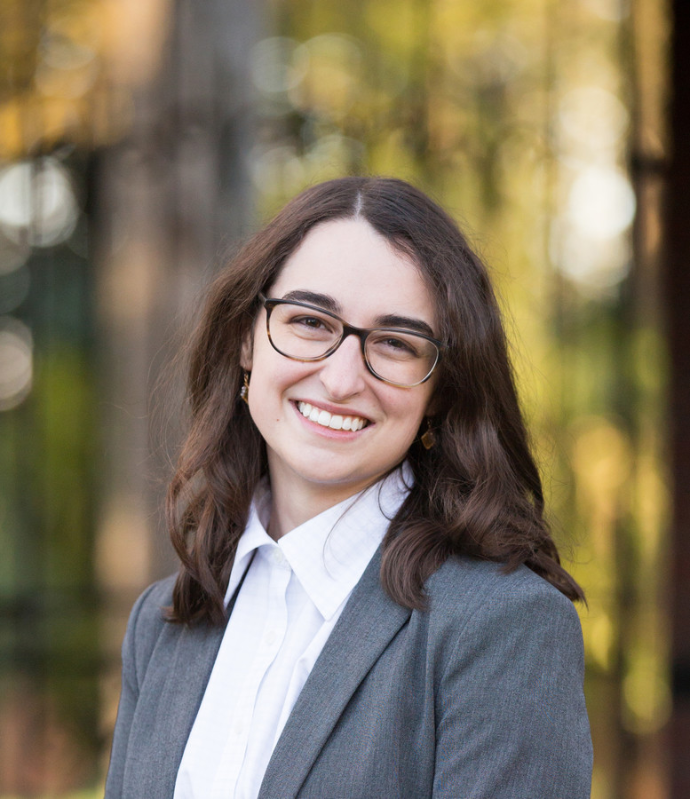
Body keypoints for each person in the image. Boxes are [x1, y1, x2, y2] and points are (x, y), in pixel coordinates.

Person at [104, 176, 592, 798]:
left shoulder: (505, 627)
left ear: (439, 390)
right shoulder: (164, 622)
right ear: (246, 339)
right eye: (310, 321)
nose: (340, 379)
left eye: (394, 343)